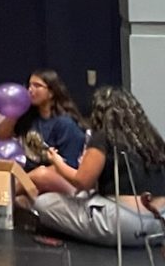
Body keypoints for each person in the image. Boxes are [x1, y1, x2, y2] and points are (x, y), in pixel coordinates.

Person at [33, 86, 165, 247]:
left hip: (126, 224)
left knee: (44, 202)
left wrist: (57, 162)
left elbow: (82, 182)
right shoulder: (152, 138)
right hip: (159, 224)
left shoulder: (103, 137)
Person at [0, 69, 87, 195]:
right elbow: (1, 136)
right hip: (32, 180)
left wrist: (30, 178)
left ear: (51, 93)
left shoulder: (65, 123)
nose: (30, 90)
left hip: (63, 181)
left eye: (37, 86)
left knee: (41, 174)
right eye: (29, 85)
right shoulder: (28, 117)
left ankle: (3, 197)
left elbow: (70, 166)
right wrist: (14, 112)